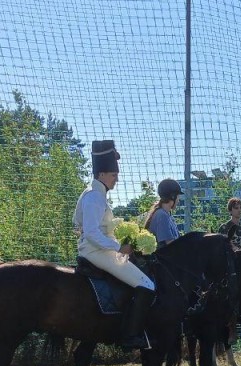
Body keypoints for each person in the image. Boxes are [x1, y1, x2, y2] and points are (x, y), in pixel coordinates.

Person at [73, 140, 155, 349]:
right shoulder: (94, 197)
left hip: (99, 249)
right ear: (101, 174)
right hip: (96, 252)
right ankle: (130, 336)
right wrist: (119, 248)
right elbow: (91, 233)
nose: (116, 179)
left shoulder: (94, 194)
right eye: (113, 175)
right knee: (147, 285)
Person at [143, 178, 181, 248]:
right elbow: (171, 246)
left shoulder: (166, 215)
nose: (179, 200)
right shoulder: (162, 216)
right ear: (173, 196)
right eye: (178, 197)